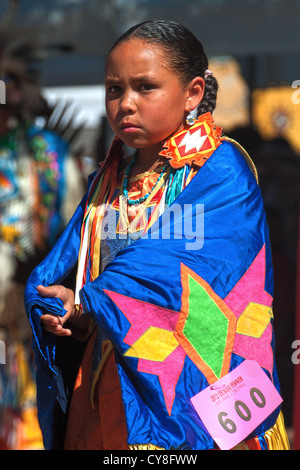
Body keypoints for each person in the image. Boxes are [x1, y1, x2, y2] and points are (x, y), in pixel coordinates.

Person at [24, 20, 290, 450]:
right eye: (114, 89)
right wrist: (70, 310)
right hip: (106, 383)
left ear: (193, 94)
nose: (125, 103)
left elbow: (178, 263)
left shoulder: (221, 171)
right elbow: (79, 272)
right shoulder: (106, 182)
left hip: (192, 385)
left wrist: (94, 296)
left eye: (145, 88)